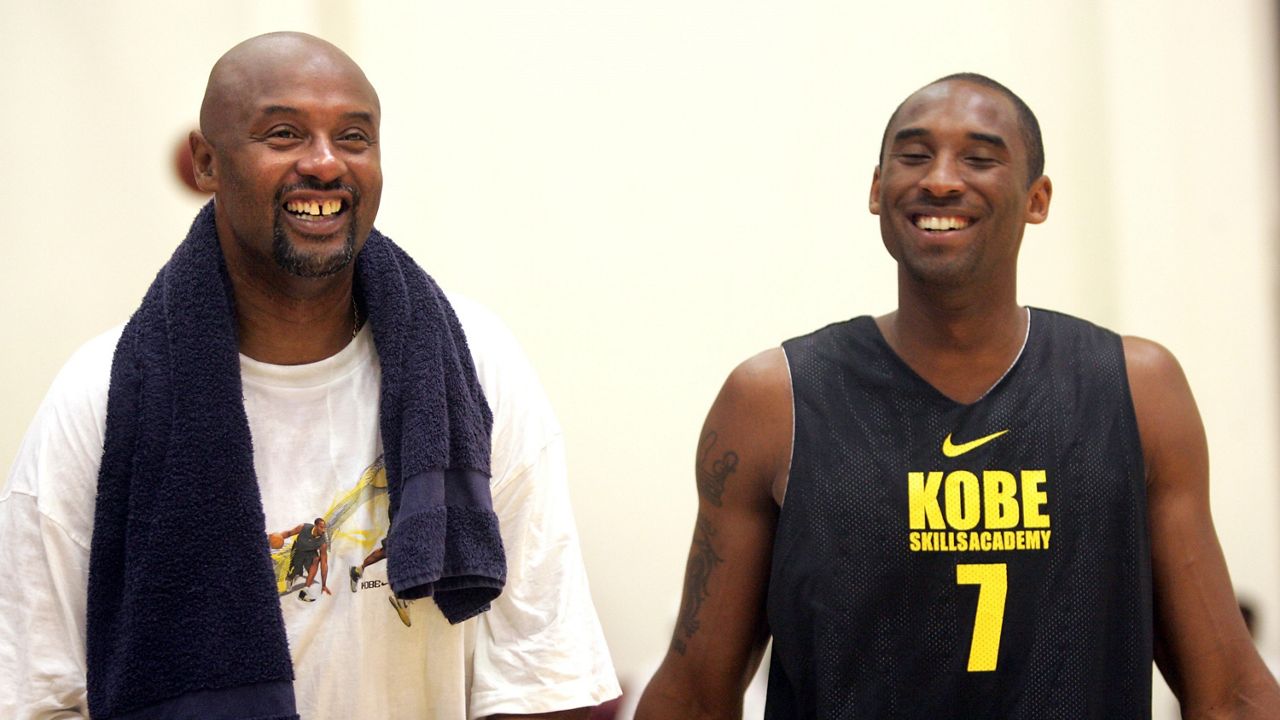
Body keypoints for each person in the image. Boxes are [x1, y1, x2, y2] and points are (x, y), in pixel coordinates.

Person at [0, 32, 618, 720]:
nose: (325, 164)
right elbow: (39, 693)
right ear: (206, 162)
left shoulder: (476, 367)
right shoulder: (100, 398)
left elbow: (544, 672)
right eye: (285, 133)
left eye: (354, 137)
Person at [636, 73, 1280, 718]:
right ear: (875, 189)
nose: (940, 180)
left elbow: (1228, 693)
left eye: (979, 158)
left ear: (1037, 198)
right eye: (913, 156)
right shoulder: (774, 401)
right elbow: (694, 693)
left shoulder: (1138, 389)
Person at [276, 518, 331, 601]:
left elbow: (324, 563)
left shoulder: (323, 543)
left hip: (310, 552)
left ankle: (304, 591)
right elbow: (289, 533)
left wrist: (324, 584)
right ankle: (290, 578)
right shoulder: (303, 527)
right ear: (315, 526)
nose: (323, 530)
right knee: (294, 571)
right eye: (321, 527)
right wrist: (278, 537)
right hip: (298, 550)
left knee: (316, 559)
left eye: (324, 528)